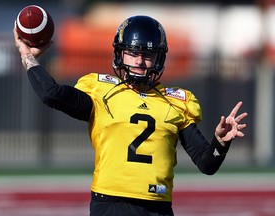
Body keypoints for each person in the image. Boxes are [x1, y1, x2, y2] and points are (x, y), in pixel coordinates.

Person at [14, 15, 247, 216]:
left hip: (158, 207)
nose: (139, 61)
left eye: (147, 55)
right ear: (120, 54)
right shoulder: (101, 91)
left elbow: (207, 164)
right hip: (110, 205)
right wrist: (27, 55)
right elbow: (50, 94)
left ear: (159, 59)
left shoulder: (177, 102)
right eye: (132, 53)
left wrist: (221, 142)